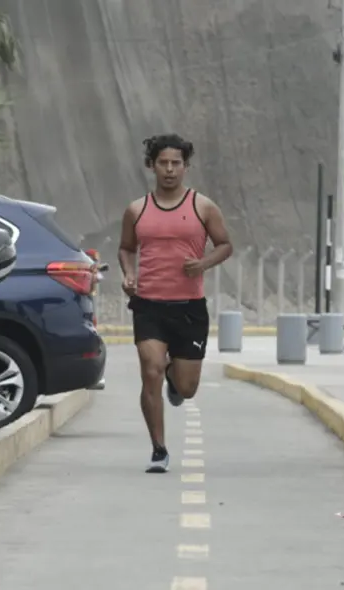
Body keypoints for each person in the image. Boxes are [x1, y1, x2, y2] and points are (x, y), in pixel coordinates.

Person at [117, 134, 233, 473]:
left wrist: (203, 264)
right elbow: (126, 248)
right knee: (149, 370)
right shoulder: (137, 210)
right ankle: (158, 448)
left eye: (176, 163)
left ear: (186, 167)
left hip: (189, 307)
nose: (169, 170)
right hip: (149, 304)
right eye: (163, 163)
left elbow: (225, 244)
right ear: (151, 166)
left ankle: (174, 376)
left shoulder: (203, 206)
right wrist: (128, 274)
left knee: (187, 387)